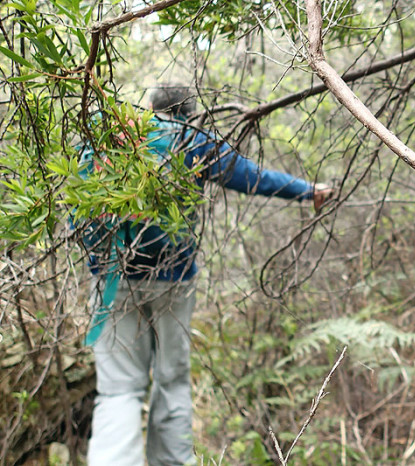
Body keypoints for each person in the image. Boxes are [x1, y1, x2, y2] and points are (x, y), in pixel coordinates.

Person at [83, 84, 332, 465]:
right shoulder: (192, 139)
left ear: (149, 106)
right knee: (171, 381)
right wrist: (307, 190)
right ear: (189, 113)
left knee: (119, 390)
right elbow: (252, 176)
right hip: (174, 277)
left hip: (114, 279)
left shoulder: (115, 133)